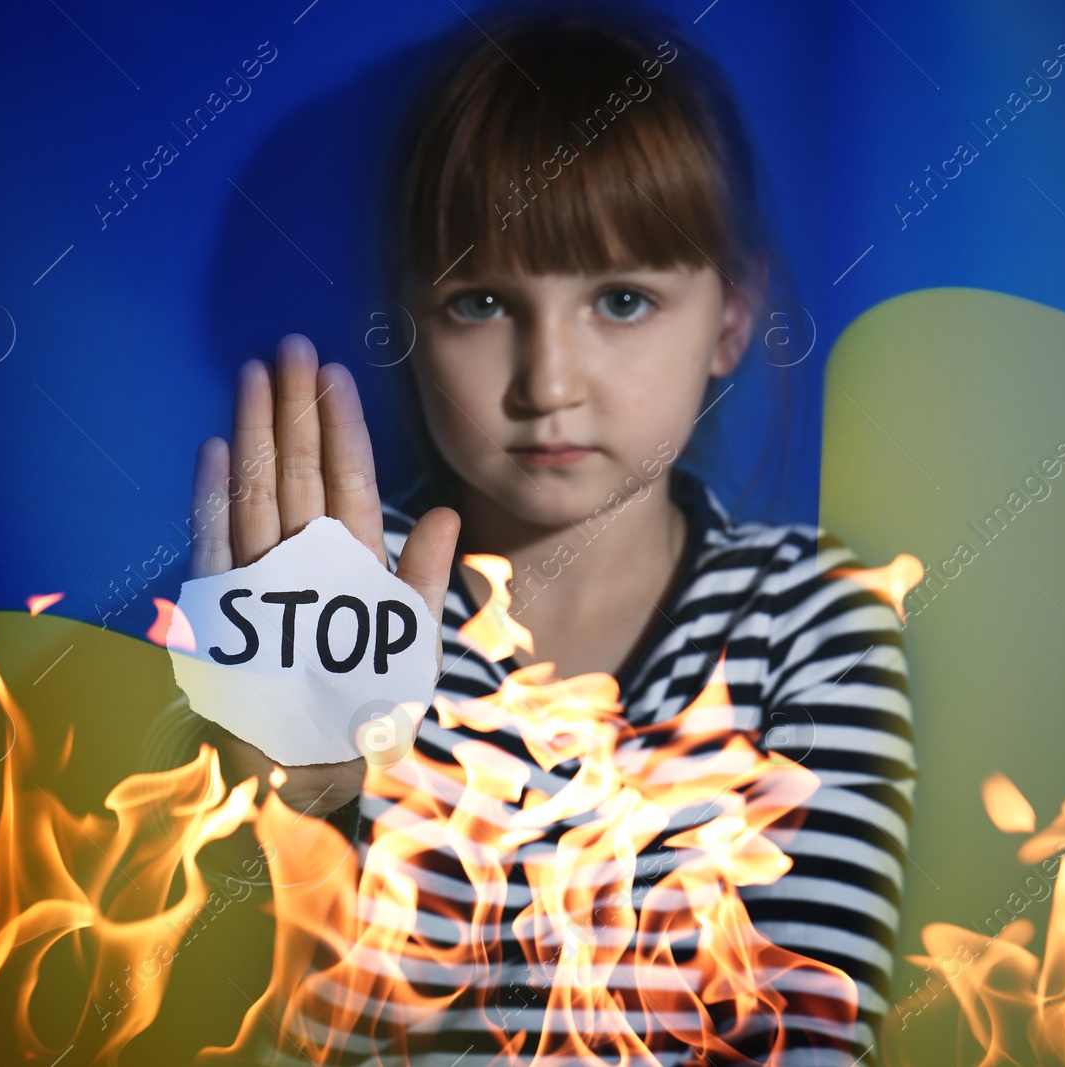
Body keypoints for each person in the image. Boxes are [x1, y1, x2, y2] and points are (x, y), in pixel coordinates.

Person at [188, 4, 915, 1062]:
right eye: (481, 301)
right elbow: (224, 1009)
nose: (548, 383)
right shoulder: (330, 604)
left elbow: (807, 1035)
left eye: (621, 299)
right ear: (410, 318)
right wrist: (293, 798)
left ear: (729, 318)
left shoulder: (808, 623)